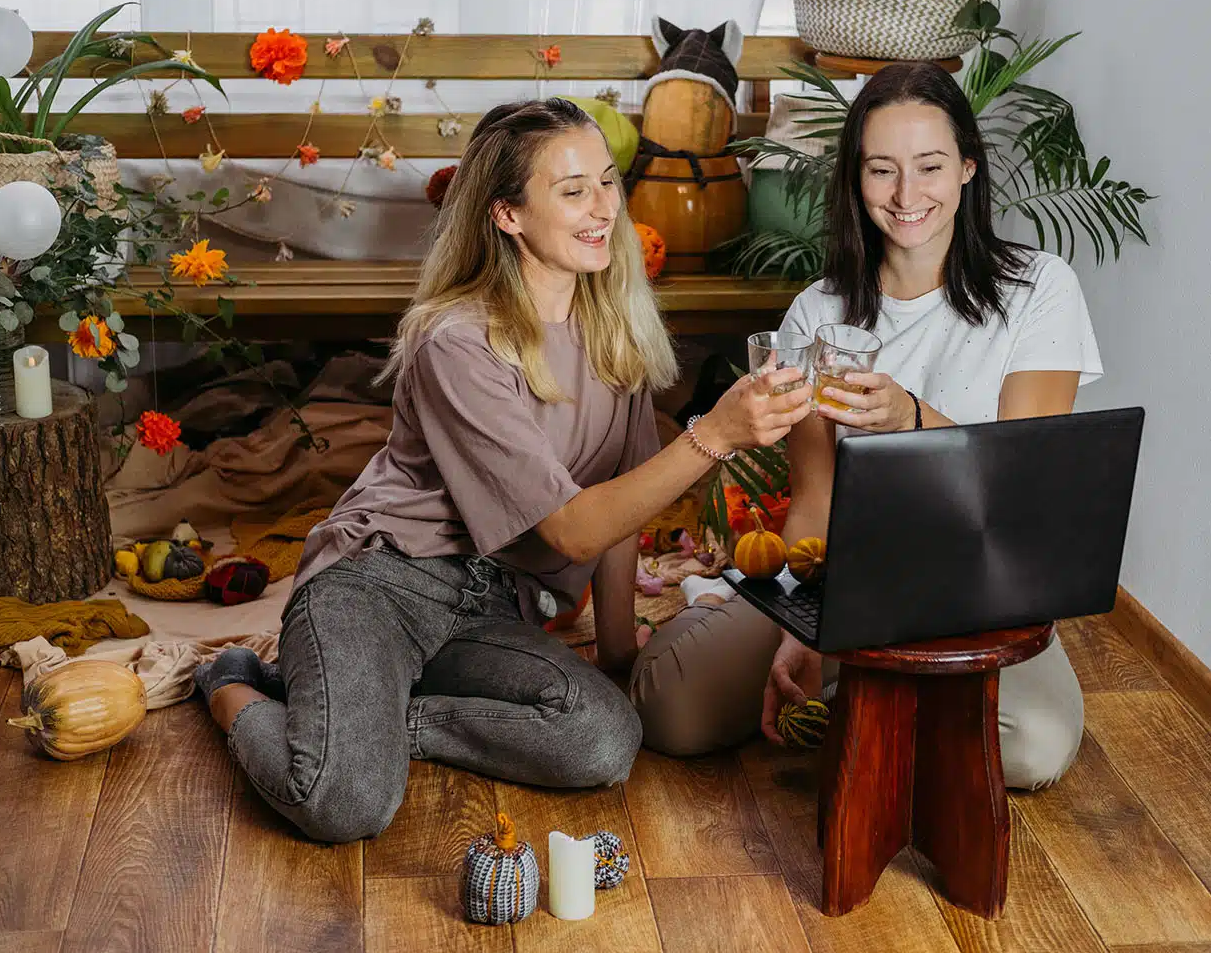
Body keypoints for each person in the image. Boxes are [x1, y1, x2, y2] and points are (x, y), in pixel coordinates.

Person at [191, 98, 812, 843]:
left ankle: (377, 722)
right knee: (343, 805)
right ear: (508, 215)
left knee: (604, 740)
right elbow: (573, 530)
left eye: (608, 182)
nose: (603, 208)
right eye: (573, 190)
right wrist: (714, 435)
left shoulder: (616, 328)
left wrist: (617, 653)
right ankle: (232, 683)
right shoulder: (456, 341)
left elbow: (620, 505)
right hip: (380, 583)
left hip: (493, 603)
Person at [629, 62, 1103, 791]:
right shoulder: (820, 314)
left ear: (968, 167)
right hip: (847, 586)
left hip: (980, 591)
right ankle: (749, 617)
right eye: (883, 170)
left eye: (930, 167)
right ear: (855, 178)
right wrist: (797, 625)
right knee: (674, 714)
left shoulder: (1040, 289)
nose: (907, 196)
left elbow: (1023, 492)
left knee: (1030, 752)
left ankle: (862, 702)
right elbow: (813, 502)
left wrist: (910, 418)